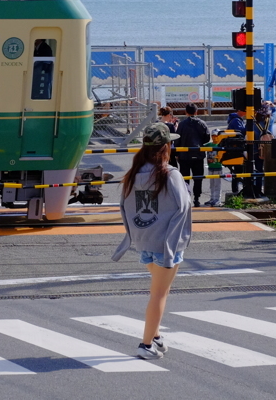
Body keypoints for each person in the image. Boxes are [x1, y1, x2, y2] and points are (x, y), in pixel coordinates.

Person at [111, 122, 191, 360]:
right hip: (166, 244)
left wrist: (131, 238)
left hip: (143, 241)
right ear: (166, 146)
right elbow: (183, 208)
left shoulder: (133, 175)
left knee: (157, 289)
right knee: (159, 294)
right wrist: (172, 246)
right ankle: (145, 344)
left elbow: (124, 208)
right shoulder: (170, 174)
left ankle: (155, 336)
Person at [176, 104, 210, 207]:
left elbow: (178, 139)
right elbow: (207, 138)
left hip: (184, 155)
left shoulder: (182, 124)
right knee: (198, 177)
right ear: (196, 112)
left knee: (185, 178)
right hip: (198, 154)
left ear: (186, 112)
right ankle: (197, 198)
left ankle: (186, 198)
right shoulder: (202, 123)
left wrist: (177, 153)